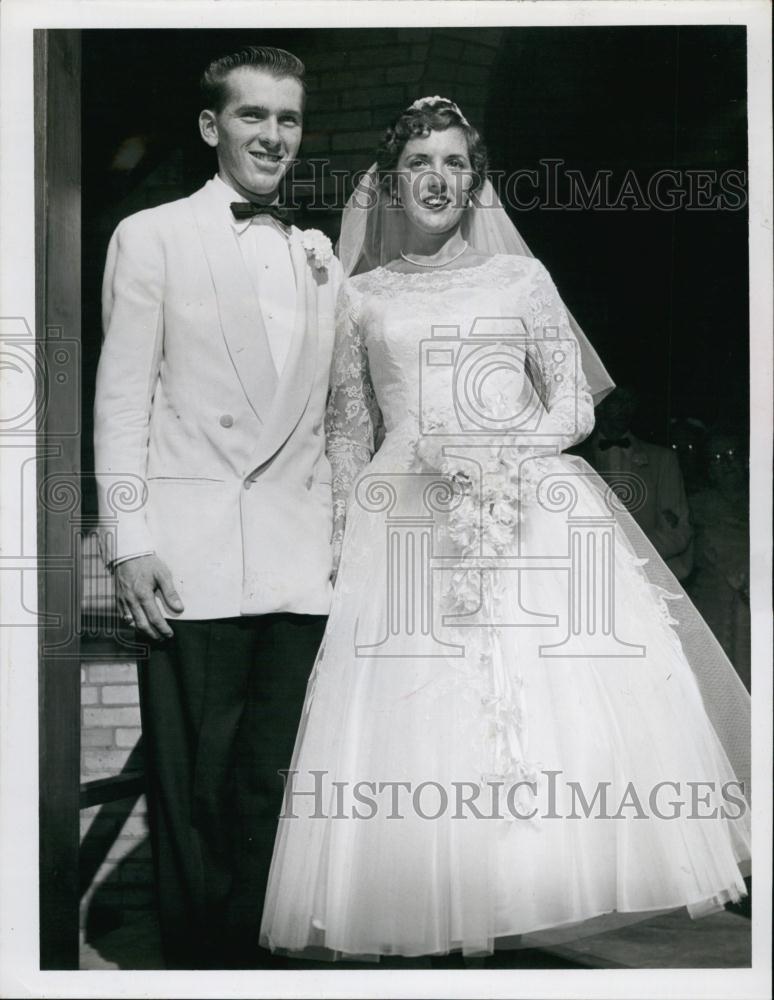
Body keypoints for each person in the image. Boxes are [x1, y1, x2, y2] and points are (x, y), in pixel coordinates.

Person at [259, 97, 751, 962]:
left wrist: (497, 448)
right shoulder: (360, 296)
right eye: (421, 164)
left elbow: (568, 400)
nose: (438, 180)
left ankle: (529, 898)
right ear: (393, 180)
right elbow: (345, 429)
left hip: (524, 507)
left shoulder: (522, 281)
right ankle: (437, 905)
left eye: (454, 163)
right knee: (416, 713)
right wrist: (343, 538)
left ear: (474, 180)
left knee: (545, 704)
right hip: (402, 524)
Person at [93, 46, 342, 969]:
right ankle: (203, 971)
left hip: (298, 571)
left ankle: (263, 968)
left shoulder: (316, 254)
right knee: (195, 796)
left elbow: (329, 418)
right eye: (253, 116)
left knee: (272, 792)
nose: (274, 136)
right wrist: (127, 543)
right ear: (211, 126)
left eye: (287, 119)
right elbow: (121, 402)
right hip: (191, 565)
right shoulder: (152, 235)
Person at [580, 386, 694, 582]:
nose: (625, 407)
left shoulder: (662, 460)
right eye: (617, 399)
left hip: (649, 580)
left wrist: (630, 556)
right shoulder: (577, 462)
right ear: (598, 405)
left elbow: (678, 530)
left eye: (630, 400)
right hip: (590, 576)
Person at [686, 430, 751, 689]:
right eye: (716, 458)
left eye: (731, 455)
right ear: (709, 471)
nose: (725, 463)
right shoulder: (698, 504)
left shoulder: (760, 497)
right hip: (717, 609)